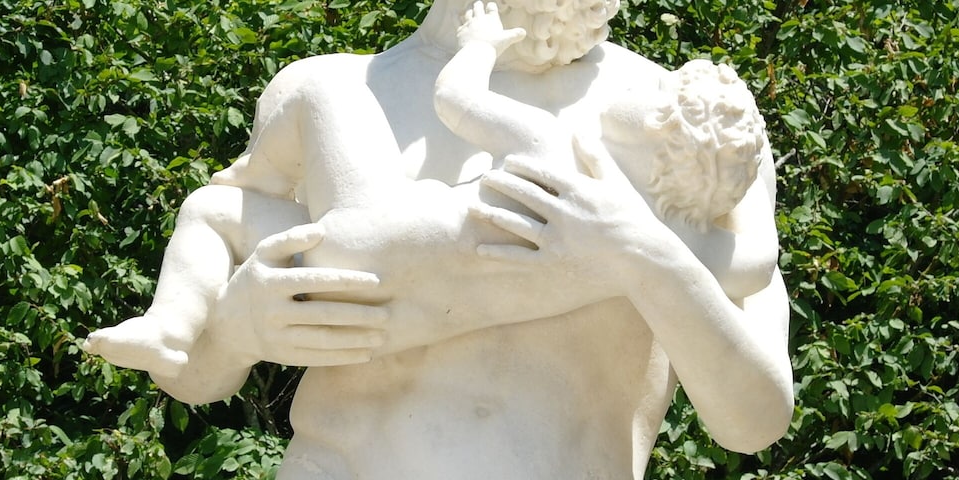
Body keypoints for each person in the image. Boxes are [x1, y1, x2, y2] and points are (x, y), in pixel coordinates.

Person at [86, 0, 795, 477]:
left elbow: (756, 417)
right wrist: (235, 332)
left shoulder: (690, 129)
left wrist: (642, 253)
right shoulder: (331, 90)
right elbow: (190, 374)